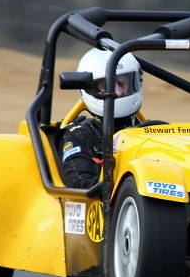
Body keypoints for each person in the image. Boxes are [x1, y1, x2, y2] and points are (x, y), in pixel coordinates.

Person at [59, 48, 143, 188]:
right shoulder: (80, 135)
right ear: (91, 89)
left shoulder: (150, 131)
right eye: (107, 86)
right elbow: (81, 184)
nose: (116, 92)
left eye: (122, 84)